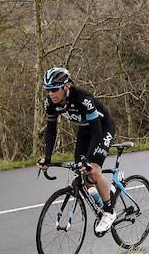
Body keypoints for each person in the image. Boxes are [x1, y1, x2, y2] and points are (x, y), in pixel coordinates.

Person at [37, 67, 118, 234]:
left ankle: (109, 212)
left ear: (66, 86)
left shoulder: (83, 99)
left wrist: (88, 159)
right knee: (82, 173)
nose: (51, 94)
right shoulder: (50, 104)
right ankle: (104, 196)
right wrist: (47, 157)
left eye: (54, 89)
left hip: (102, 129)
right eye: (48, 90)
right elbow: (51, 130)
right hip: (84, 130)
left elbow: (96, 132)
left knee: (93, 170)